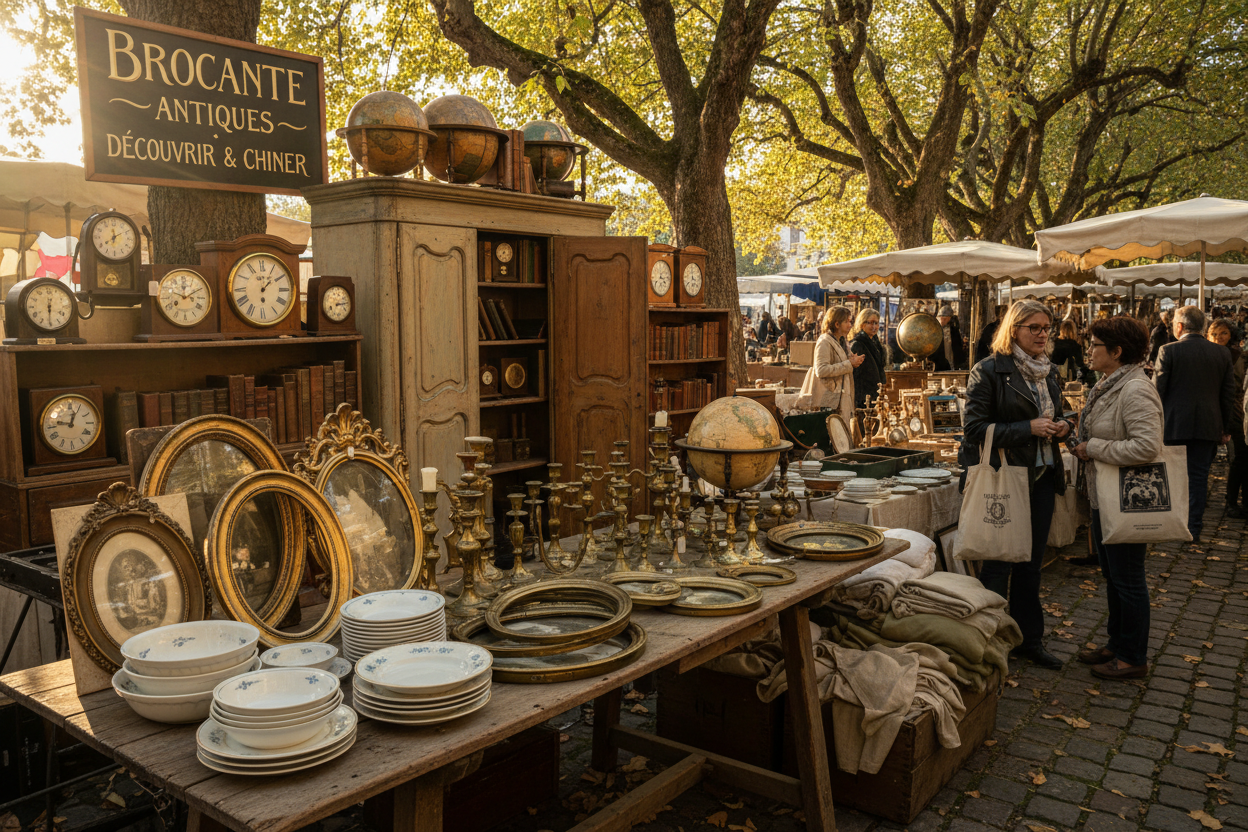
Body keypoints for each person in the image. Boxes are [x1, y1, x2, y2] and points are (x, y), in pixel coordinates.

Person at [961, 299, 1071, 670]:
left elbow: (1060, 412)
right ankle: (988, 641)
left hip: (1042, 477)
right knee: (998, 562)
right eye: (1034, 328)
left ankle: (1028, 639)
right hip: (1004, 479)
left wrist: (1064, 426)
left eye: (1046, 328)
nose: (1042, 334)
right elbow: (973, 429)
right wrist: (1027, 428)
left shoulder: (1048, 371)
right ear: (1014, 330)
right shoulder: (989, 370)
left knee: (1031, 564)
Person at [1070, 317, 1163, 680]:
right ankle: (1117, 643)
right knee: (1114, 575)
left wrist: (1092, 447)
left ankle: (1132, 657)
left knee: (1128, 579)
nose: (1089, 351)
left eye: (1094, 345)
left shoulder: (1135, 388)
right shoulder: (1110, 383)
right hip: (1104, 496)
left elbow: (1147, 446)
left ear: (1117, 351)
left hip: (1127, 499)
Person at [1154, 306, 1236, 540]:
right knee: (1198, 477)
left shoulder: (1168, 351)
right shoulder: (1221, 353)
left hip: (1174, 425)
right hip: (1208, 424)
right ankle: (1193, 527)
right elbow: (1228, 394)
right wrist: (1225, 427)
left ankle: (1174, 523)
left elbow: (1156, 392)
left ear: (1179, 326)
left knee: (1171, 475)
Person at [798, 305, 863, 429]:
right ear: (837, 324)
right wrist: (849, 364)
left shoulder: (842, 341)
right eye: (847, 322)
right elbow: (821, 370)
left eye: (850, 321)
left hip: (841, 400)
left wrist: (852, 360)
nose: (850, 325)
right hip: (830, 401)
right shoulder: (825, 342)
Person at [1210, 318, 1248, 516]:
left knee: (1241, 456)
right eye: (1214, 334)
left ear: (1231, 334)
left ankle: (1235, 501)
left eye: (1223, 333)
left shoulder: (1239, 356)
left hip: (1237, 411)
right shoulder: (1208, 356)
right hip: (1214, 411)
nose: (1219, 337)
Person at [849, 308, 888, 407]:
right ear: (862, 324)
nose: (874, 326)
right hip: (863, 397)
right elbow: (855, 375)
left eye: (876, 323)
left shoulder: (876, 343)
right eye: (870, 323)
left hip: (875, 394)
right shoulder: (857, 344)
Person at [1050, 320, 1091, 384]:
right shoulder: (1075, 346)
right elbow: (1080, 365)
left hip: (1054, 379)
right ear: (1073, 331)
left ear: (1061, 330)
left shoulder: (1054, 343)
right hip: (1070, 379)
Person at [932, 305, 967, 371]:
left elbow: (958, 348)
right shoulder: (935, 331)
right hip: (939, 364)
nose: (942, 321)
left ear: (949, 319)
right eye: (941, 318)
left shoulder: (954, 331)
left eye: (945, 319)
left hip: (952, 363)